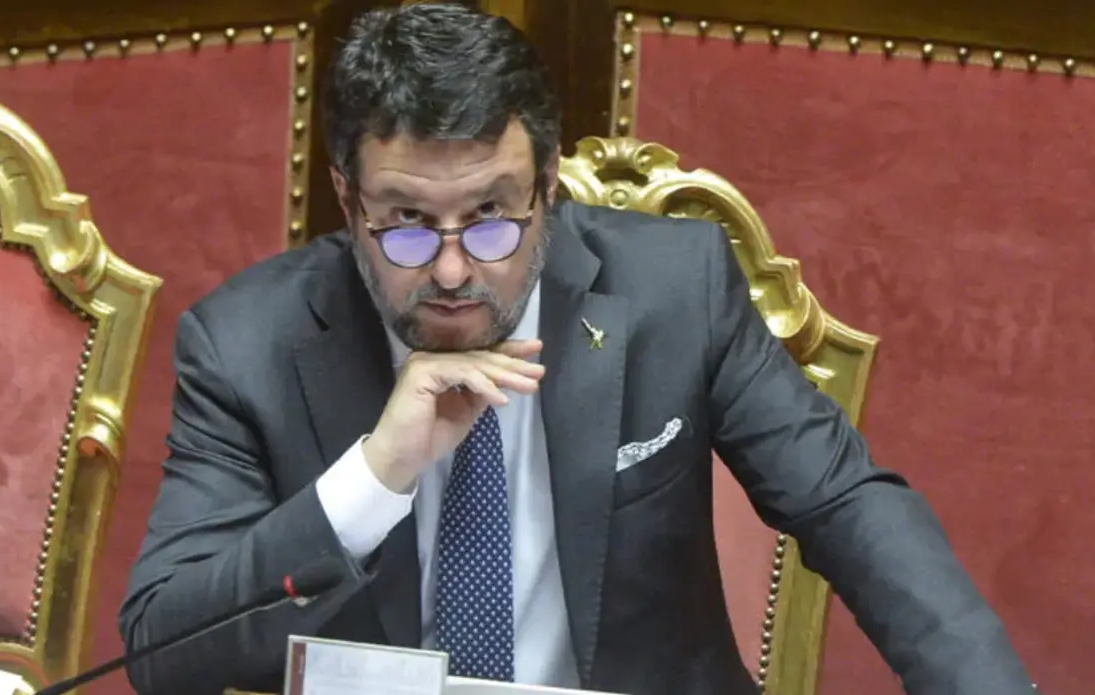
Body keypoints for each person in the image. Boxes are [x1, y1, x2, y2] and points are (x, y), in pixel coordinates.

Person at [118, 4, 1034, 695]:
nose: (451, 270)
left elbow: (844, 504)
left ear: (548, 184)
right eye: (406, 222)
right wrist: (374, 475)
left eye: (491, 216)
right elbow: (163, 645)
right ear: (348, 199)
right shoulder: (247, 343)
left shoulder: (674, 289)